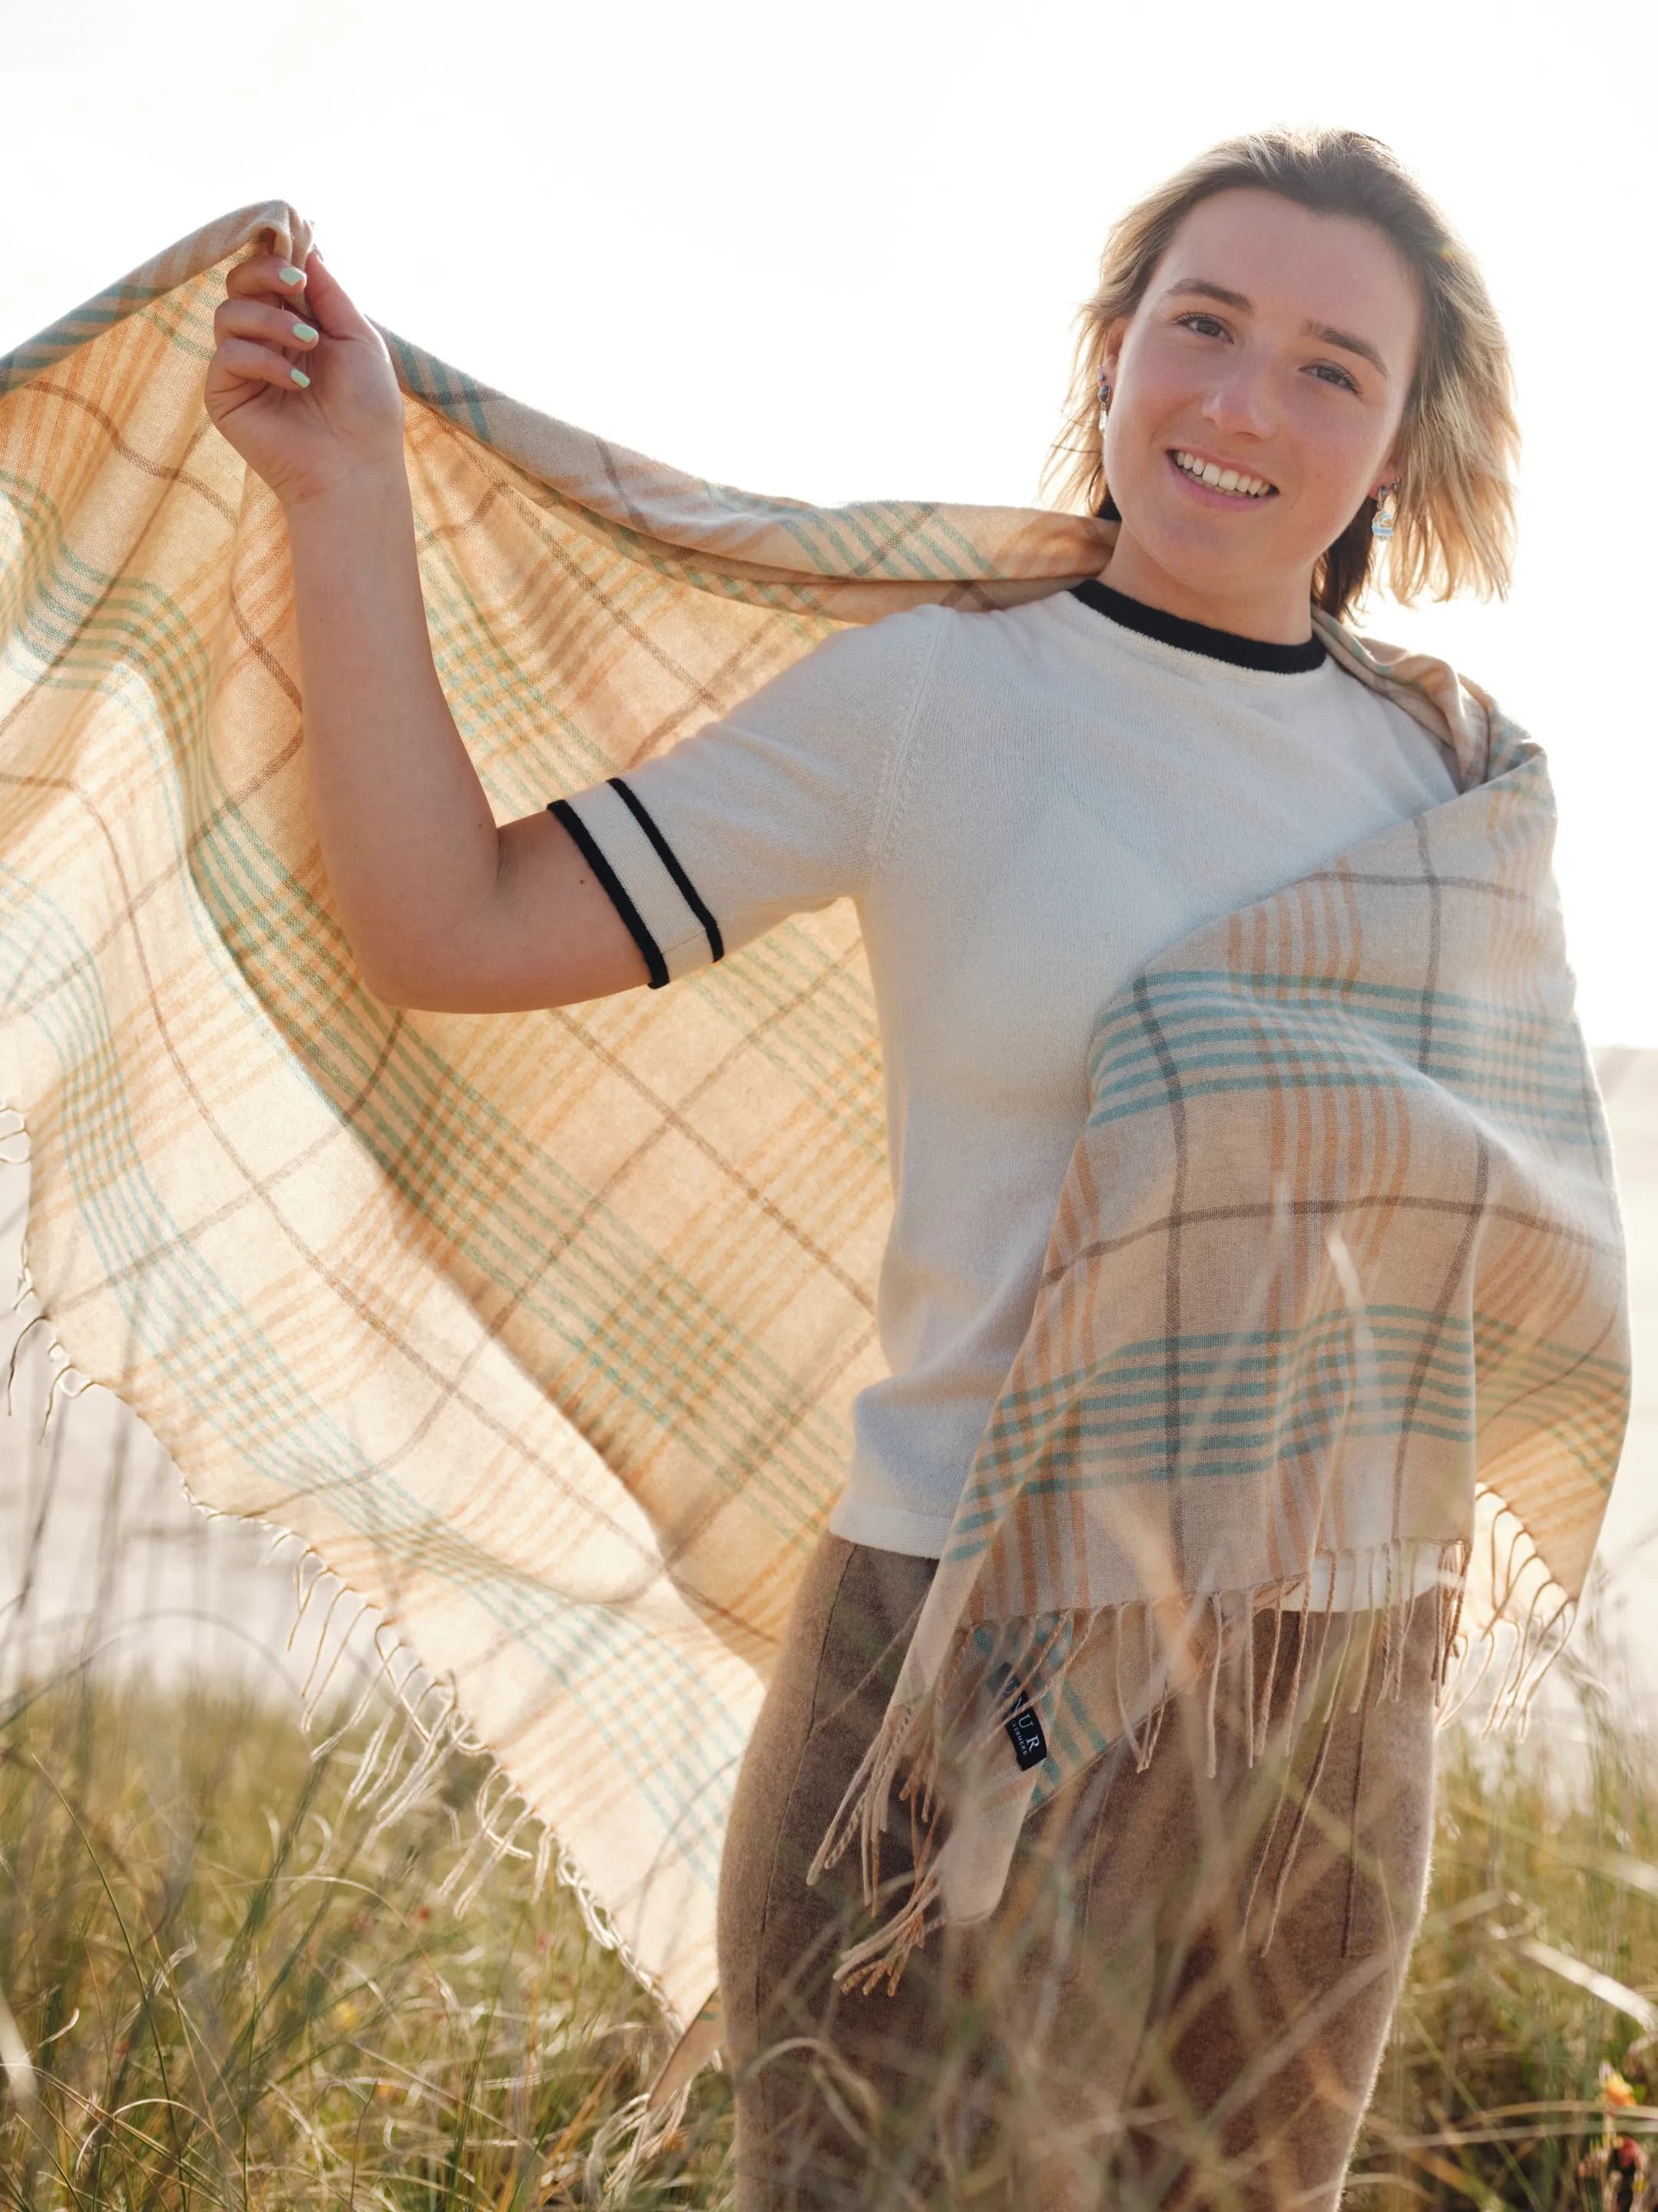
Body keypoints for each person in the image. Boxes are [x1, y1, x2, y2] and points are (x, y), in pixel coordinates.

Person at [206, 124, 1522, 2210]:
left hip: (1330, 1694)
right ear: (1111, 352)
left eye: (1330, 368)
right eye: (1203, 327)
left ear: (1405, 440)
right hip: (967, 1661)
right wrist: (344, 494)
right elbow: (448, 923)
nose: (1246, 404)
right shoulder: (939, 701)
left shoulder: (1450, 785)